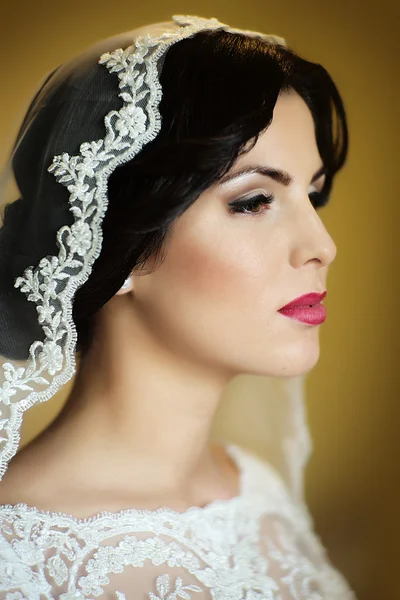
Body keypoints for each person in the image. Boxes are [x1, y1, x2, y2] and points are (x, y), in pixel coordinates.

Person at [0, 14, 357, 599]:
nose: (323, 246)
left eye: (312, 195)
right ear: (115, 243)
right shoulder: (16, 564)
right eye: (255, 201)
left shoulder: (256, 489)